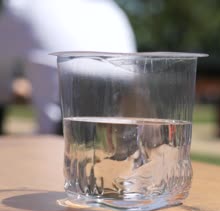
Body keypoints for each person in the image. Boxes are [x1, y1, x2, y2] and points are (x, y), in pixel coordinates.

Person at [0, 0, 136, 134]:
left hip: (58, 137)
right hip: (120, 137)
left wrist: (15, 88)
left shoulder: (21, 6)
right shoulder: (112, 10)